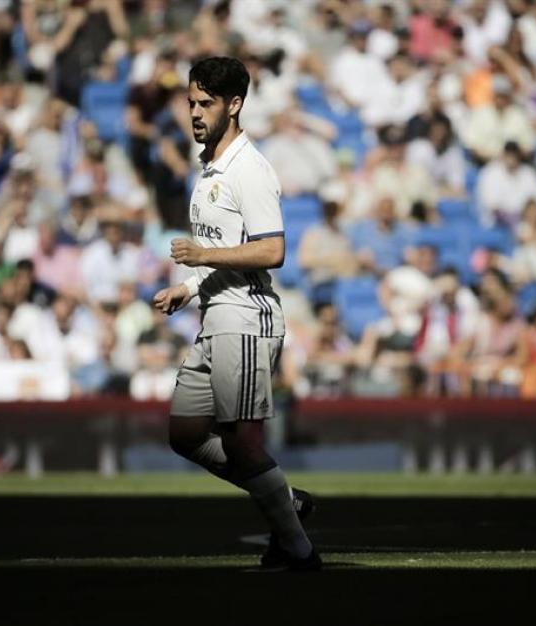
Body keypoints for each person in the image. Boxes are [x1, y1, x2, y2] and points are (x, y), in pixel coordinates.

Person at [152, 57, 320, 571]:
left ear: (235, 105)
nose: (195, 113)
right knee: (185, 434)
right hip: (215, 313)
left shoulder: (249, 168)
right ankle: (284, 500)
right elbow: (226, 244)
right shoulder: (209, 166)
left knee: (245, 444)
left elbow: (272, 251)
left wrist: (202, 258)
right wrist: (191, 285)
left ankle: (297, 549)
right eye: (191, 103)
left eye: (205, 104)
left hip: (247, 316)